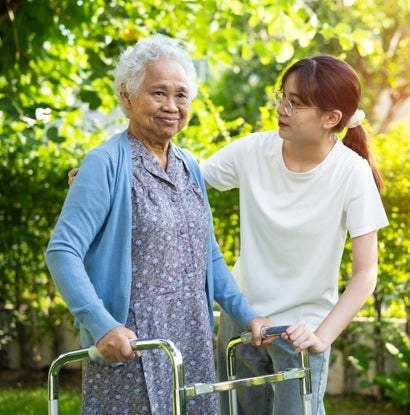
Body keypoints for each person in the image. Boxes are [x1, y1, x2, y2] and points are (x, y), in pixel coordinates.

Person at [46, 34, 272, 414]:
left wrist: (248, 316)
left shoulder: (189, 167)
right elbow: (62, 252)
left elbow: (209, 256)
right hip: (131, 348)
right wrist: (102, 326)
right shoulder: (105, 164)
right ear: (127, 96)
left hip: (193, 343)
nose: (171, 106)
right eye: (158, 93)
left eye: (181, 95)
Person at [200, 55, 389, 415]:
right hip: (241, 323)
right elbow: (184, 176)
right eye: (282, 97)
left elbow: (365, 274)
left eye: (296, 103)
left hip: (300, 335)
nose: (282, 109)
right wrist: (113, 174)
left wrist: (322, 336)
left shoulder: (352, 173)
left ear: (331, 118)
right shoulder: (254, 150)